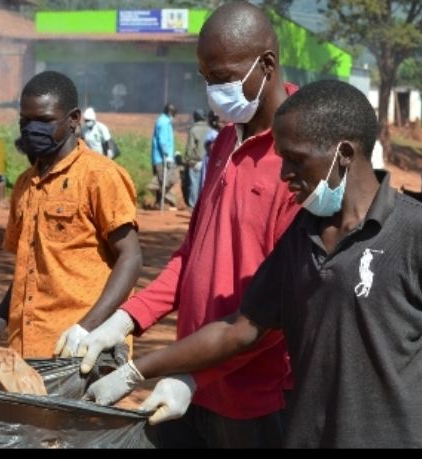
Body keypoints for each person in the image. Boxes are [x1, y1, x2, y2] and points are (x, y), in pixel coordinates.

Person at [85, 80, 422, 449]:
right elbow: (240, 329)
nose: (284, 176)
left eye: (296, 160)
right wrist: (139, 370)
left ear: (345, 154)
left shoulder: (420, 235)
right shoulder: (302, 235)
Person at [76, 2, 300, 448]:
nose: (213, 89)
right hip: (192, 390)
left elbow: (283, 307)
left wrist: (190, 376)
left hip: (258, 402)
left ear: (267, 65)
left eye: (223, 77)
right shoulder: (222, 142)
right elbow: (191, 255)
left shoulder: (300, 155)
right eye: (205, 77)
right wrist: (125, 320)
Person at [0, 71, 142, 360]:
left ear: (74, 119)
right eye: (25, 121)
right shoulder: (25, 184)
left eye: (45, 121)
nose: (32, 129)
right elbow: (30, 267)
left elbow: (131, 258)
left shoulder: (100, 176)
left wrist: (87, 327)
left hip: (81, 351)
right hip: (26, 350)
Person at [149, 103, 179, 210]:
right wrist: (166, 154)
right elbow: (162, 140)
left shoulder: (164, 121)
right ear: (170, 112)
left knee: (164, 179)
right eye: (174, 114)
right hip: (161, 157)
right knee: (166, 179)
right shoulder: (163, 122)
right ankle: (163, 199)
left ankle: (160, 203)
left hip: (161, 156)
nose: (174, 117)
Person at [182, 109, 209, 210]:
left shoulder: (193, 130)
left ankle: (193, 206)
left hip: (196, 161)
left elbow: (190, 147)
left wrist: (188, 160)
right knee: (205, 183)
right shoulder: (210, 129)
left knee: (194, 184)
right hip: (207, 161)